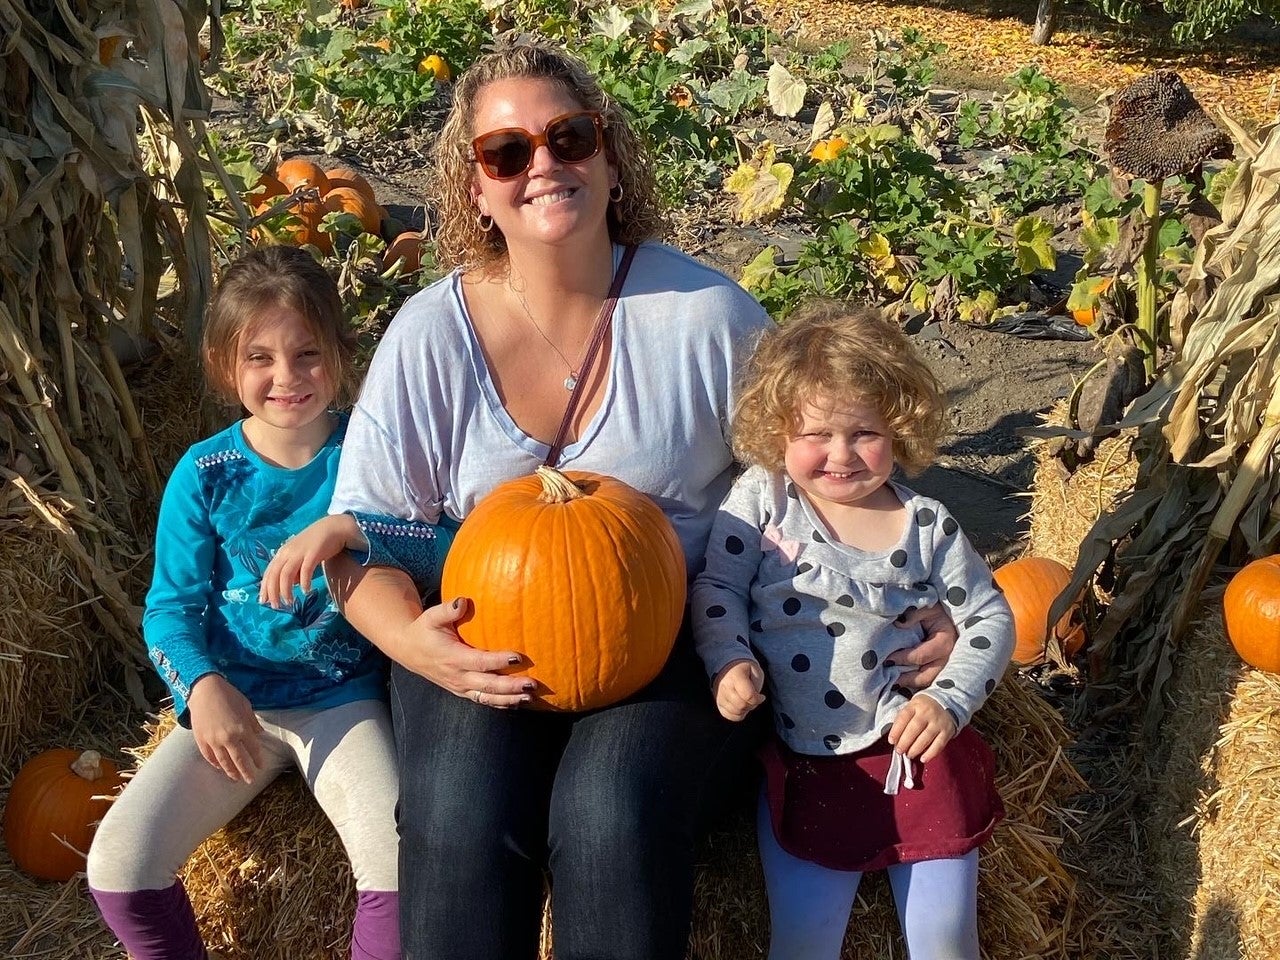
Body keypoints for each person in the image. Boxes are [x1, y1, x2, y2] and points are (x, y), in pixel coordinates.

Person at [319, 43, 961, 960]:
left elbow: (832, 467)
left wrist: (919, 595)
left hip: (676, 636)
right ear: (475, 190)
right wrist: (412, 644)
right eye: (505, 153)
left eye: (567, 137)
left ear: (609, 157)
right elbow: (369, 535)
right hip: (478, 644)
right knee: (458, 815)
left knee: (608, 810)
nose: (542, 165)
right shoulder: (430, 336)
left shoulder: (706, 317)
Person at [86, 246, 451, 960]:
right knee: (119, 866)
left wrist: (350, 527)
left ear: (343, 357)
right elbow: (168, 608)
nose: (286, 377)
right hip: (238, 706)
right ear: (226, 365)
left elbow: (446, 546)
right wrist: (202, 686)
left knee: (401, 865)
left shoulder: (369, 456)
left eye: (307, 354)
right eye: (260, 357)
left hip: (341, 701)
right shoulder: (207, 473)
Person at [691, 301, 1016, 960]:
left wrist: (947, 700)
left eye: (864, 432)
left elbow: (992, 616)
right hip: (811, 764)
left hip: (917, 758)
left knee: (945, 942)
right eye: (816, 434)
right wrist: (728, 660)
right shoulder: (764, 501)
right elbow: (717, 588)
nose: (840, 455)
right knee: (804, 943)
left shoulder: (927, 526)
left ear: (899, 428)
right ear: (778, 431)